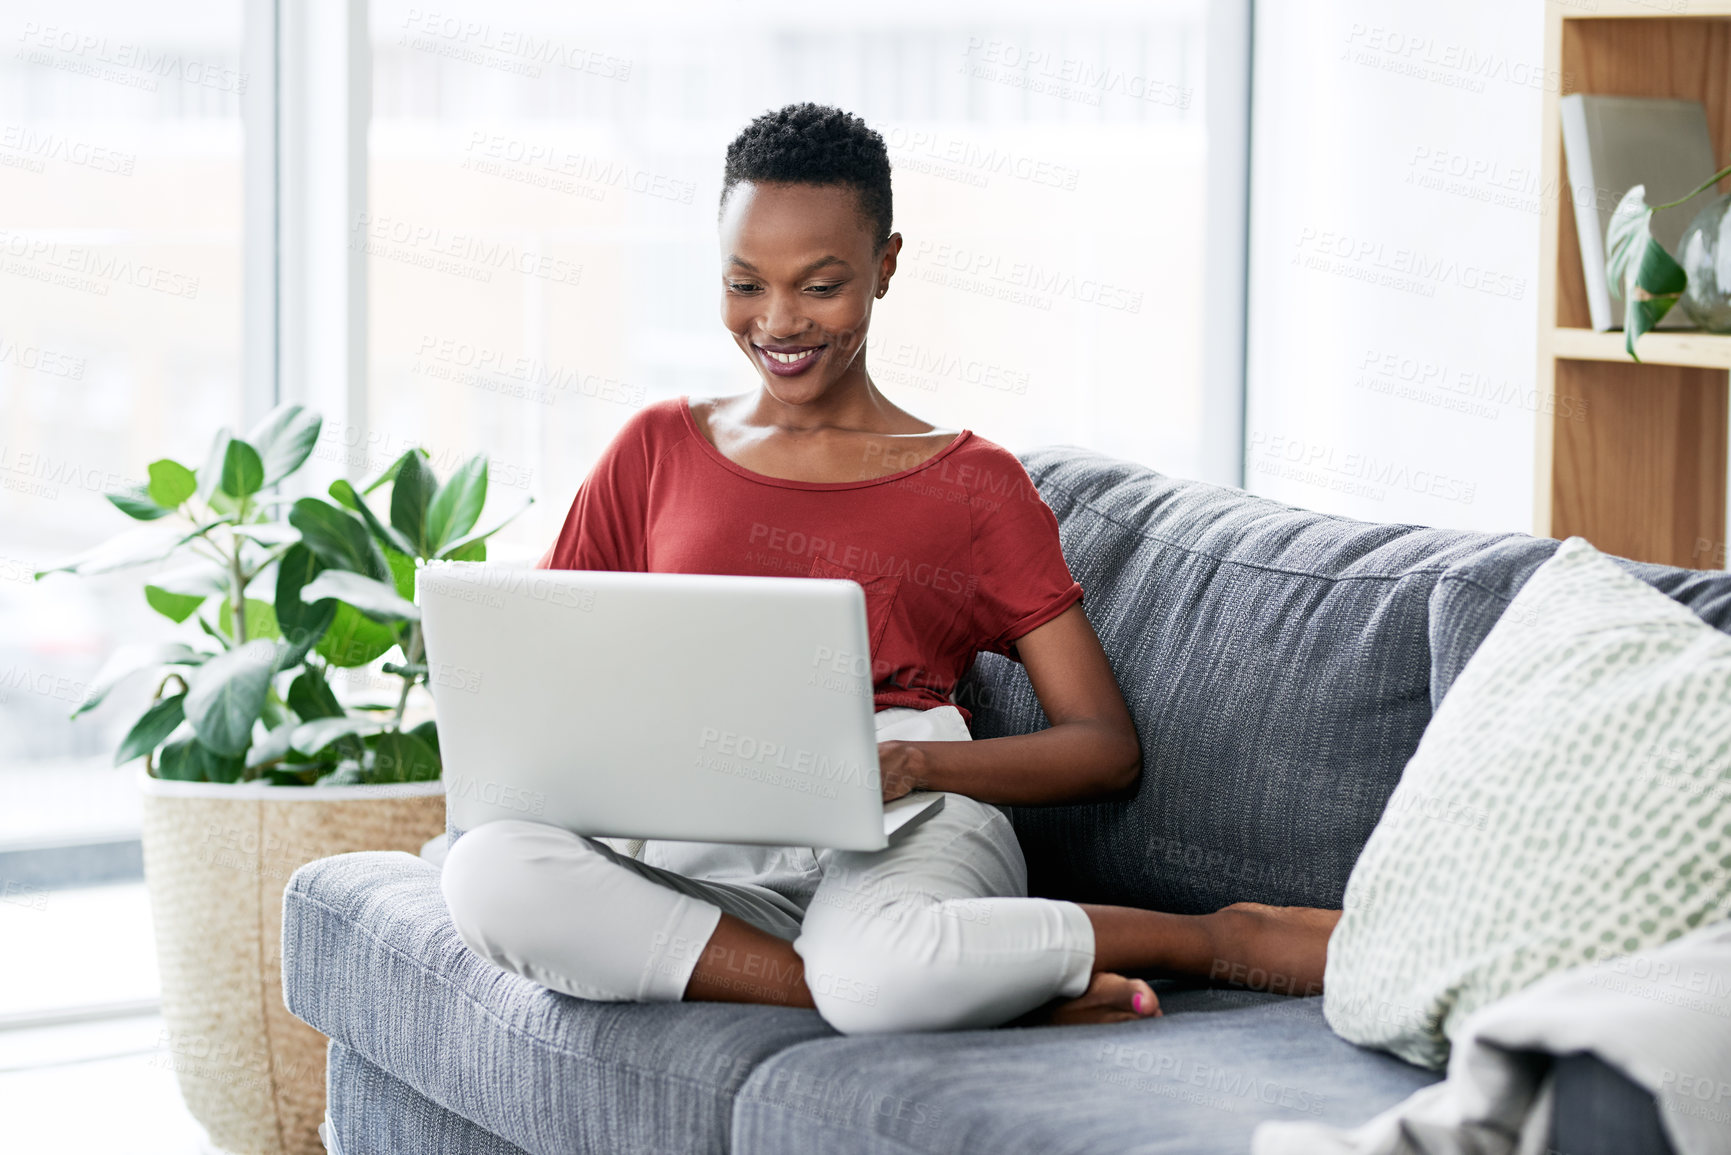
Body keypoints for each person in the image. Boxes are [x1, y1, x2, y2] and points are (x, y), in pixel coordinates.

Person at [440, 103, 1337, 1033]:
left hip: (906, 829)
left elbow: (1103, 749)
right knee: (487, 871)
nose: (778, 322)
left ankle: (1212, 936)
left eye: (819, 286)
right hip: (702, 851)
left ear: (885, 266)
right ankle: (933, 987)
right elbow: (543, 684)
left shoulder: (974, 482)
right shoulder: (655, 449)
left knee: (878, 962)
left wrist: (912, 762)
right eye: (745, 283)